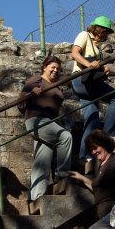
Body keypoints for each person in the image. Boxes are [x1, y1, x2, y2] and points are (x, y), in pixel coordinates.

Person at [71, 15, 115, 160]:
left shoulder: (96, 46)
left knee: (93, 119)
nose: (105, 35)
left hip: (88, 82)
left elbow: (95, 67)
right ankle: (111, 136)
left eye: (107, 33)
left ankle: (86, 156)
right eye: (104, 31)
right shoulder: (84, 35)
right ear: (98, 29)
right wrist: (89, 65)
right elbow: (74, 53)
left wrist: (105, 69)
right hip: (81, 80)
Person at [19, 55, 72, 202]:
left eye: (58, 68)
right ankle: (62, 173)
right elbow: (20, 98)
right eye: (52, 67)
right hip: (36, 120)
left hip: (48, 122)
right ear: (44, 67)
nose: (55, 70)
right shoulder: (37, 80)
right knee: (65, 137)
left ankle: (35, 198)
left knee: (42, 161)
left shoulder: (55, 84)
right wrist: (31, 93)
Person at [69, 129, 115, 229]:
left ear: (104, 143)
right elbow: (97, 189)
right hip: (109, 216)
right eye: (91, 150)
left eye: (95, 148)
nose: (93, 152)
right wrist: (81, 178)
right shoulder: (101, 167)